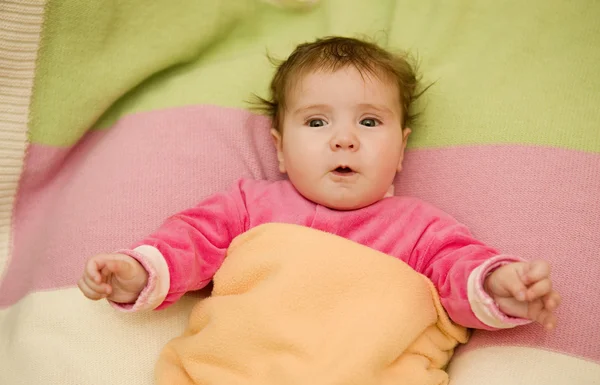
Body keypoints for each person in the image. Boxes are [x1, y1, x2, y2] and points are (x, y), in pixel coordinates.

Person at [78, 36, 560, 331]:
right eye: (316, 123)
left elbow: (459, 269)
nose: (345, 140)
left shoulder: (419, 227)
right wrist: (137, 271)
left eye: (370, 123)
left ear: (401, 150)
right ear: (281, 150)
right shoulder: (249, 206)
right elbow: (191, 241)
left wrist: (498, 286)